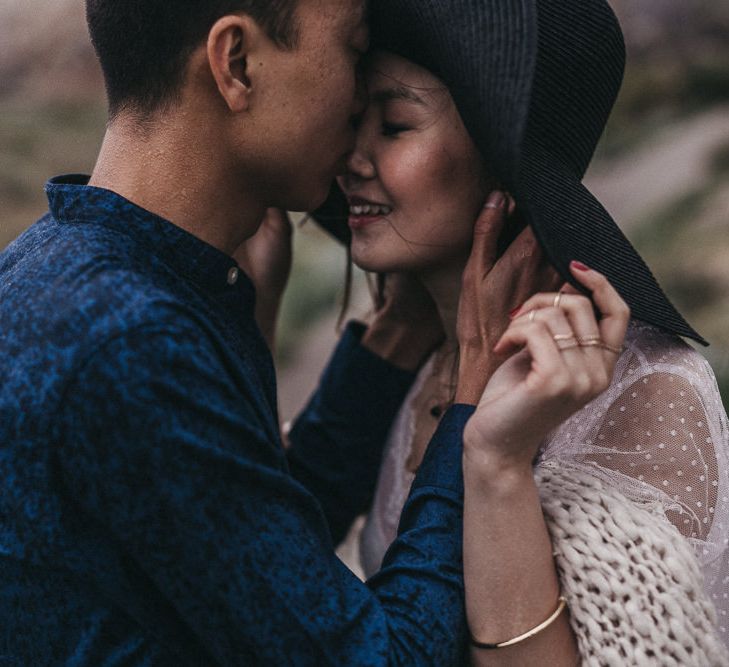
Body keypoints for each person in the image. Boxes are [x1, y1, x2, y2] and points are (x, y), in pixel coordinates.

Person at [0, 0, 622, 665]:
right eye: (353, 53)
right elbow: (380, 656)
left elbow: (250, 556)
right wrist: (470, 403)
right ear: (235, 63)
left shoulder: (54, 267)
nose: (356, 102)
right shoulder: (129, 339)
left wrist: (388, 350)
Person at [313, 0, 729, 662]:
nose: (350, 159)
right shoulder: (417, 367)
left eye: (392, 124)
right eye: (353, 119)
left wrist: (496, 466)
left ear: (500, 164)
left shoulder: (643, 390)